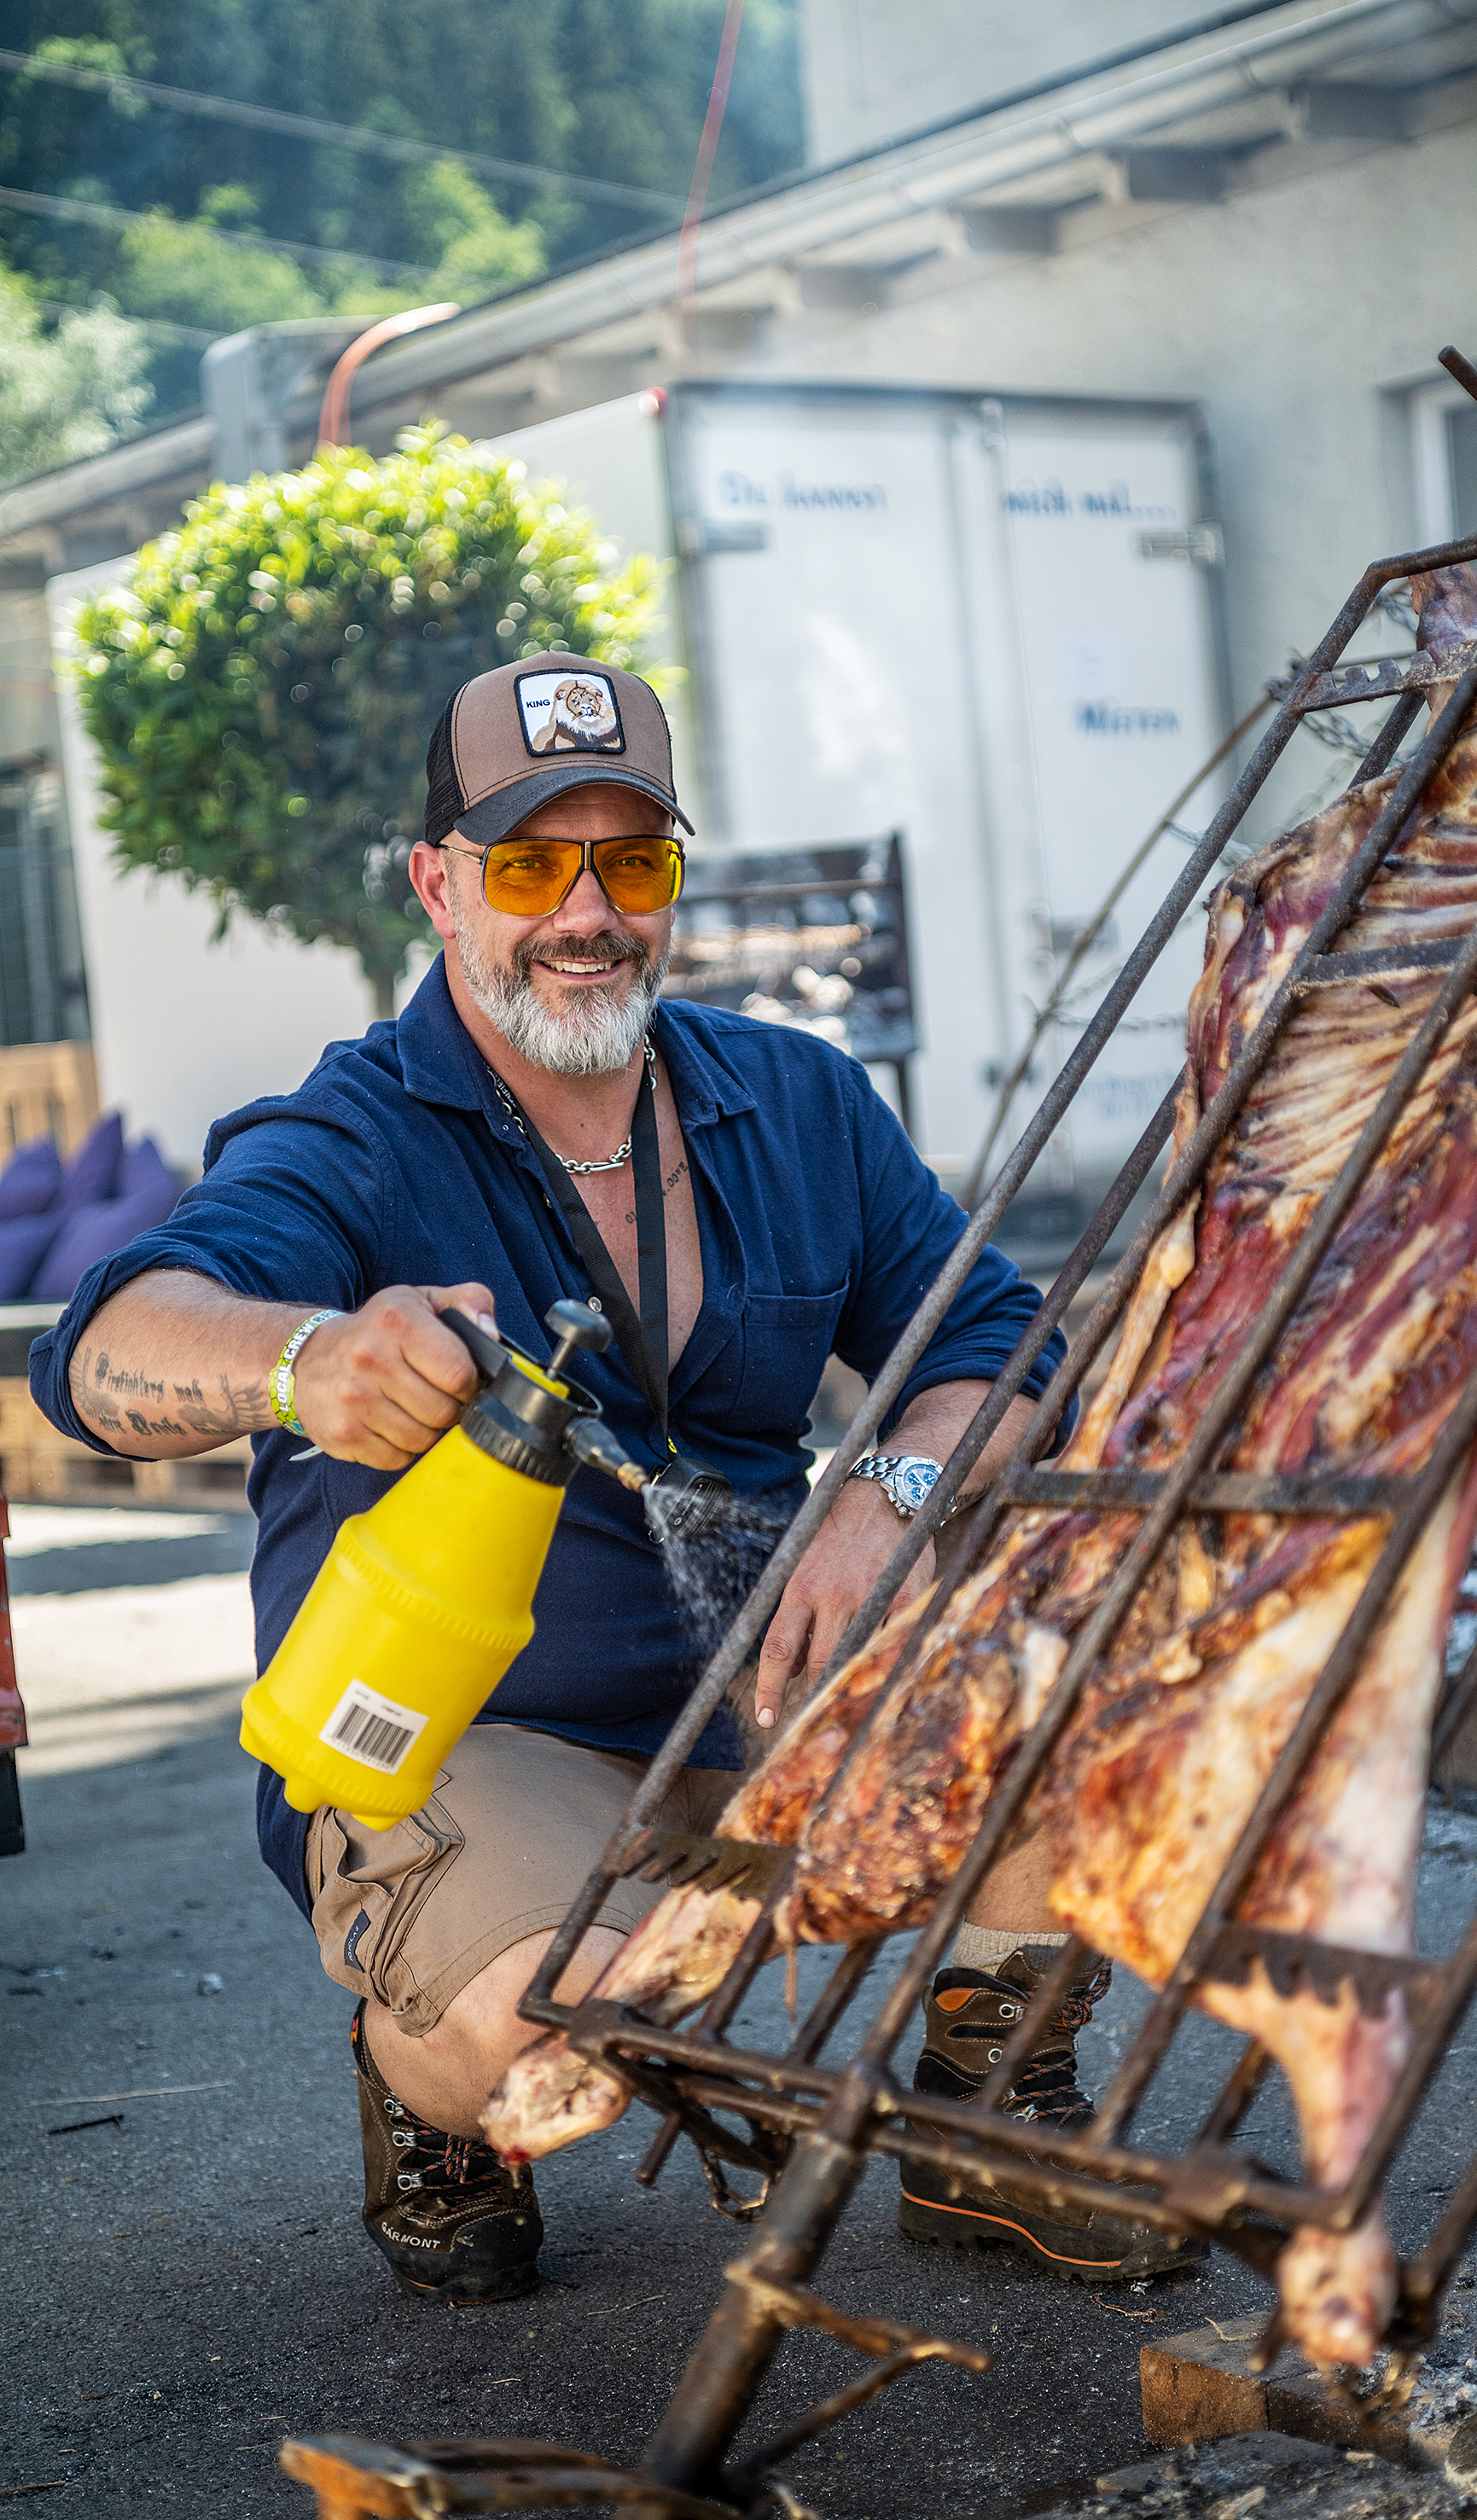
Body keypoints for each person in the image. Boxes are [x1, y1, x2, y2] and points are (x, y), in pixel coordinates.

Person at [32, 652, 1195, 2302]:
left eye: (629, 861)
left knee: (1115, 1674)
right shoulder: (353, 1130)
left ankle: (985, 2123)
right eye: (527, 865)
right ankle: (427, 2063)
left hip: (765, 1694)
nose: (586, 912)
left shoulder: (792, 1099)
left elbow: (1000, 1343)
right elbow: (101, 1349)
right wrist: (304, 1359)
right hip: (471, 1738)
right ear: (440, 887)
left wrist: (886, 1494)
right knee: (560, 2033)